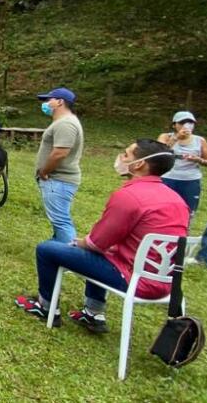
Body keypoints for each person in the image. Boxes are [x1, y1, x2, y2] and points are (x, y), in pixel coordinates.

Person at [14, 140, 188, 332]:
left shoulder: (130, 196)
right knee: (103, 253)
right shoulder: (177, 199)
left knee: (47, 249)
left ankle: (46, 307)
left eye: (126, 154)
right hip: (167, 283)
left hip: (133, 279)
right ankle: (93, 313)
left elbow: (97, 243)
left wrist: (79, 242)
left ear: (139, 164)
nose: (121, 158)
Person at [35, 87, 84, 243]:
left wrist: (44, 171)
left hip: (58, 179)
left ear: (60, 102)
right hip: (57, 180)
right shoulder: (64, 122)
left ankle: (69, 254)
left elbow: (60, 153)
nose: (46, 103)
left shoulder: (66, 124)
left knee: (61, 221)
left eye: (49, 100)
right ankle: (58, 248)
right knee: (58, 219)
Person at [157, 111, 207, 221]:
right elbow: (159, 153)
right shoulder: (165, 136)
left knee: (187, 211)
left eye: (190, 122)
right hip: (167, 178)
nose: (187, 125)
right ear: (174, 125)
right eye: (182, 122)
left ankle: (183, 234)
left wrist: (198, 159)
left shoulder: (200, 140)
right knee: (163, 209)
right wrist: (176, 138)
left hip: (190, 180)